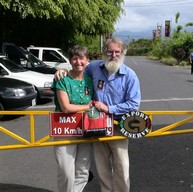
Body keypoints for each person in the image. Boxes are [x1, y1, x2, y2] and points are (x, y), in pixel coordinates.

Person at [55, 37, 141, 192]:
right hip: (95, 125)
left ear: (122, 53)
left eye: (117, 52)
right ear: (104, 52)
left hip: (117, 127)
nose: (113, 55)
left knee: (122, 167)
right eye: (110, 51)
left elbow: (134, 103)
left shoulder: (130, 75)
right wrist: (63, 71)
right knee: (102, 169)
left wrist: (109, 108)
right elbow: (77, 70)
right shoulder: (93, 68)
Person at [51, 45, 94, 192]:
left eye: (82, 58)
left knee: (82, 171)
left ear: (87, 60)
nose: (78, 62)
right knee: (66, 172)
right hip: (64, 130)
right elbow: (66, 108)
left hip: (86, 129)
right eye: (74, 58)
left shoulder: (90, 80)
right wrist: (88, 107)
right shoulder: (62, 79)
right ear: (70, 61)